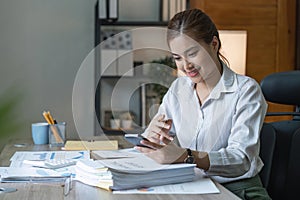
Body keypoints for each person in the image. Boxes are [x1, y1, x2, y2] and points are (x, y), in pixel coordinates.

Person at [136, 9, 271, 200]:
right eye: (177, 58)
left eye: (192, 53)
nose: (185, 65)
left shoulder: (246, 90)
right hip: (191, 186)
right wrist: (152, 139)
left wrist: (186, 156)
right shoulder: (178, 89)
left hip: (238, 190)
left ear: (214, 44)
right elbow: (162, 146)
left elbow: (241, 159)